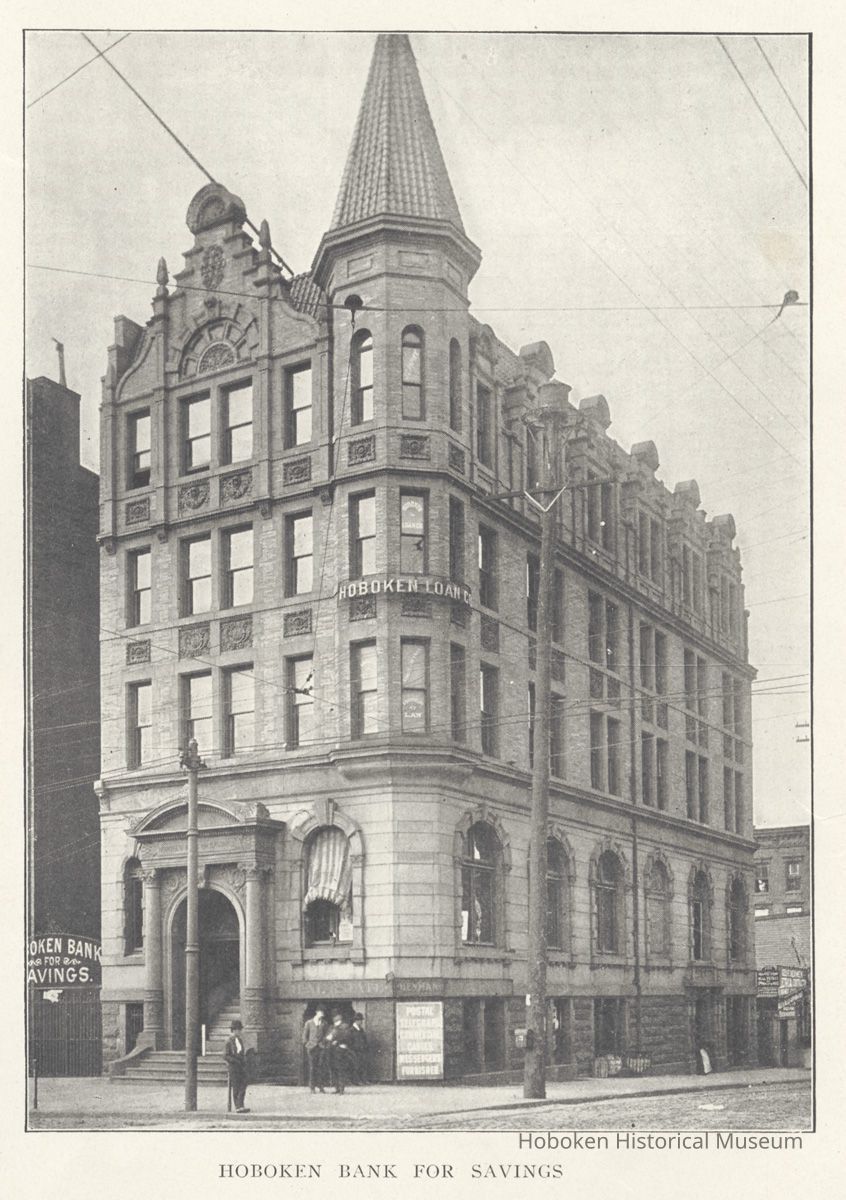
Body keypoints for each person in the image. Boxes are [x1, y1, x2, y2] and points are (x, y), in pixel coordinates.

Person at [223, 1019, 250, 1113]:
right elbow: (225, 1056)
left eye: (240, 1029)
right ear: (233, 1030)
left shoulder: (240, 1040)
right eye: (238, 1030)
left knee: (244, 1083)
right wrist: (234, 1061)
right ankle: (238, 1106)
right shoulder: (228, 1041)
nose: (239, 1031)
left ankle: (241, 1104)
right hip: (233, 1066)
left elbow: (241, 1052)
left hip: (241, 1065)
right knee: (236, 1085)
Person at [302, 1006, 328, 1092]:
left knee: (321, 1067)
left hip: (321, 1047)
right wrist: (307, 1044)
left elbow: (326, 1035)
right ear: (317, 1012)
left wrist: (324, 1044)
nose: (322, 1014)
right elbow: (304, 1036)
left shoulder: (324, 1023)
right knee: (312, 1067)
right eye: (321, 1012)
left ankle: (320, 1086)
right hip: (312, 1048)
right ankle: (312, 1087)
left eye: (323, 1013)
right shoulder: (309, 1023)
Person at [325, 1011, 352, 1094]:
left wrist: (337, 1041)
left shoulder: (344, 1027)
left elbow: (347, 1038)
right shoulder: (332, 1027)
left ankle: (341, 1089)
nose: (336, 1020)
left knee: (340, 1070)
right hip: (332, 1051)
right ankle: (337, 1088)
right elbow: (327, 1038)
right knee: (334, 1069)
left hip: (340, 1051)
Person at [349, 1012, 369, 1085]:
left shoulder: (361, 1030)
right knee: (356, 1066)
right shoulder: (351, 1030)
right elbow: (350, 1041)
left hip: (362, 1050)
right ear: (356, 1021)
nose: (361, 1022)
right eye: (360, 1020)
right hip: (355, 1051)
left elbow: (364, 1039)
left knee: (363, 1065)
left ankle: (363, 1080)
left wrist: (365, 1047)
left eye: (361, 1020)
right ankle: (356, 1081)